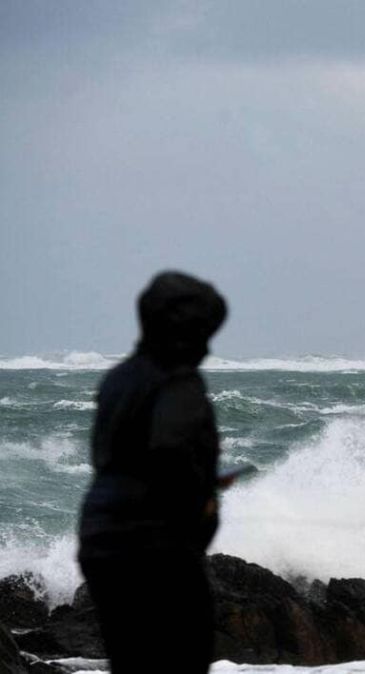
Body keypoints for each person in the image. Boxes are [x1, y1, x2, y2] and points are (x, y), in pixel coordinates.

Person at [78, 271, 227, 674]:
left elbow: (107, 459)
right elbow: (169, 454)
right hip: (153, 545)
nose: (207, 345)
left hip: (99, 540)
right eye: (202, 332)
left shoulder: (116, 379)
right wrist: (205, 498)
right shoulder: (180, 381)